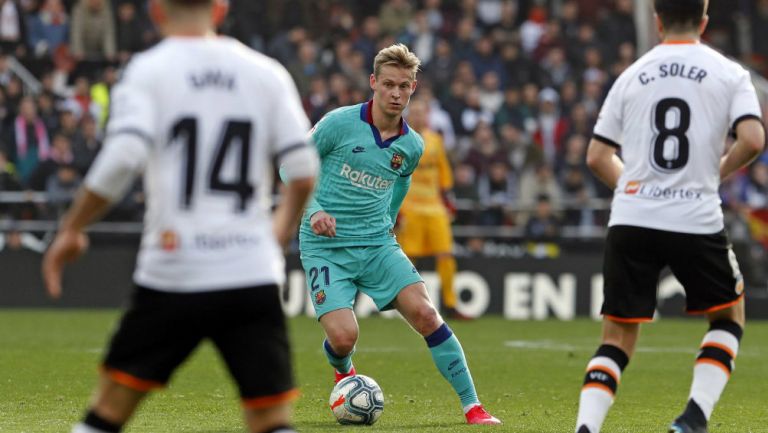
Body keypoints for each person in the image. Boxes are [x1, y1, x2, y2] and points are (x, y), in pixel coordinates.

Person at [41, 1, 319, 433]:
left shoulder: (149, 71)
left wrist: (72, 228)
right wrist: (275, 235)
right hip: (249, 273)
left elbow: (122, 159)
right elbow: (302, 170)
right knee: (270, 419)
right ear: (221, 9)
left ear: (155, 11)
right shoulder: (266, 74)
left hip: (174, 271)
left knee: (108, 411)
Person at [574, 1, 765, 433]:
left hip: (632, 217)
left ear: (657, 21)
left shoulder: (631, 76)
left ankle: (586, 428)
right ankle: (693, 419)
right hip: (693, 215)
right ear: (704, 21)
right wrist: (714, 172)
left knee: (617, 337)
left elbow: (597, 156)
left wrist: (637, 188)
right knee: (728, 316)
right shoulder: (730, 73)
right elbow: (753, 139)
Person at [297, 43, 500, 425]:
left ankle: (473, 406)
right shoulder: (338, 124)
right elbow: (291, 167)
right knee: (343, 338)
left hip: (376, 244)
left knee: (426, 313)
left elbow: (400, 186)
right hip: (326, 246)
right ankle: (344, 370)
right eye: (388, 84)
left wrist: (389, 219)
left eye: (403, 86)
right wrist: (314, 210)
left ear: (413, 88)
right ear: (373, 83)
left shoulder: (412, 145)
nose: (395, 93)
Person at [397, 98, 468, 320]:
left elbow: (443, 174)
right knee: (408, 258)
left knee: (446, 253)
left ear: (427, 115)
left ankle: (450, 303)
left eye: (421, 112)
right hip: (410, 208)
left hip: (435, 207)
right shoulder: (399, 139)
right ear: (408, 115)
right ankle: (404, 303)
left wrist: (448, 201)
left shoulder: (436, 141)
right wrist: (396, 209)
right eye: (414, 112)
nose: (418, 116)